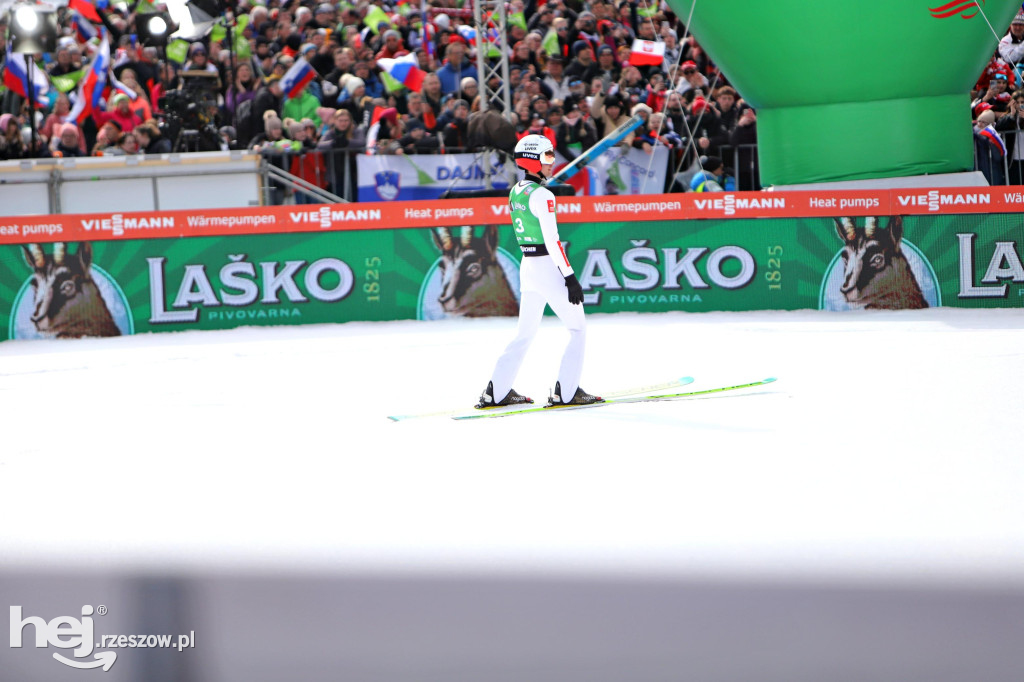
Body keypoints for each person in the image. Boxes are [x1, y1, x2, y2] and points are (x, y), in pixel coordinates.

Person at [476, 134, 602, 409]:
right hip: (546, 266)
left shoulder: (516, 190)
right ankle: (566, 393)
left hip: (528, 266)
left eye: (552, 156)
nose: (552, 162)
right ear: (531, 160)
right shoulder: (543, 194)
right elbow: (553, 240)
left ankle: (495, 393)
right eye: (546, 157)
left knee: (525, 332)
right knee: (577, 329)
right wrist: (569, 277)